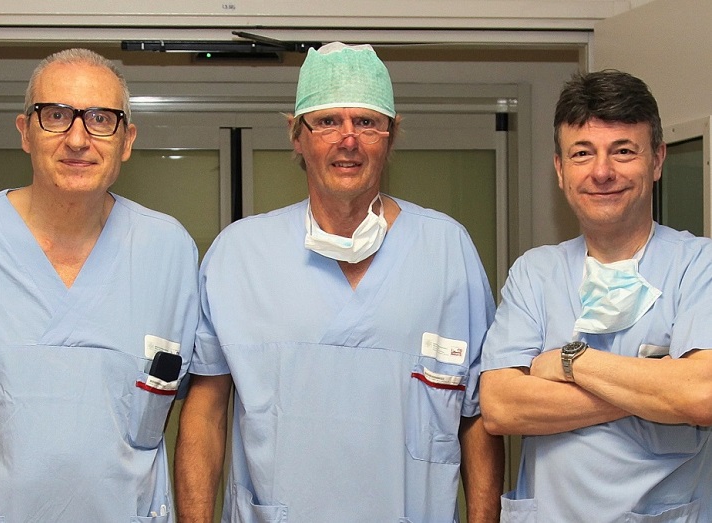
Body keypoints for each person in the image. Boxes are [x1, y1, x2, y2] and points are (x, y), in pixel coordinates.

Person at [175, 42, 504, 522]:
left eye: (367, 122)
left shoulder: (447, 251)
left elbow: (477, 416)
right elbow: (204, 414)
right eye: (327, 121)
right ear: (297, 136)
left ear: (390, 137)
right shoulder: (239, 256)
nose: (348, 139)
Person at [0, 48, 199, 522]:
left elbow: (196, 405)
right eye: (56, 116)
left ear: (127, 140)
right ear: (25, 132)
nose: (78, 139)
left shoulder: (169, 252)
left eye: (101, 119)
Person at [480, 70, 712, 522]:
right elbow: (501, 405)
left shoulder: (698, 265)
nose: (602, 172)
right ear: (560, 170)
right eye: (582, 153)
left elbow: (702, 394)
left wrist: (570, 363)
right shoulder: (536, 272)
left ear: (658, 160)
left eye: (623, 151)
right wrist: (655, 387)